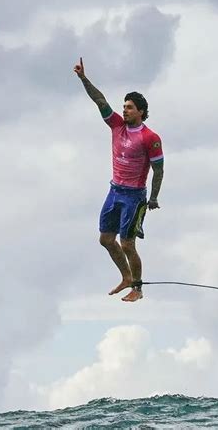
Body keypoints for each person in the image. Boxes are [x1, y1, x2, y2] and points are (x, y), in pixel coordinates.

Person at [74, 57, 164, 302]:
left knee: (127, 244)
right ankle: (125, 277)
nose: (125, 110)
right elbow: (99, 100)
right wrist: (83, 78)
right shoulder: (116, 125)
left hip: (134, 196)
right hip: (115, 191)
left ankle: (137, 287)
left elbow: (159, 169)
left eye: (130, 107)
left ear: (141, 112)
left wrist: (154, 197)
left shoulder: (150, 137)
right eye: (124, 106)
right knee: (105, 239)